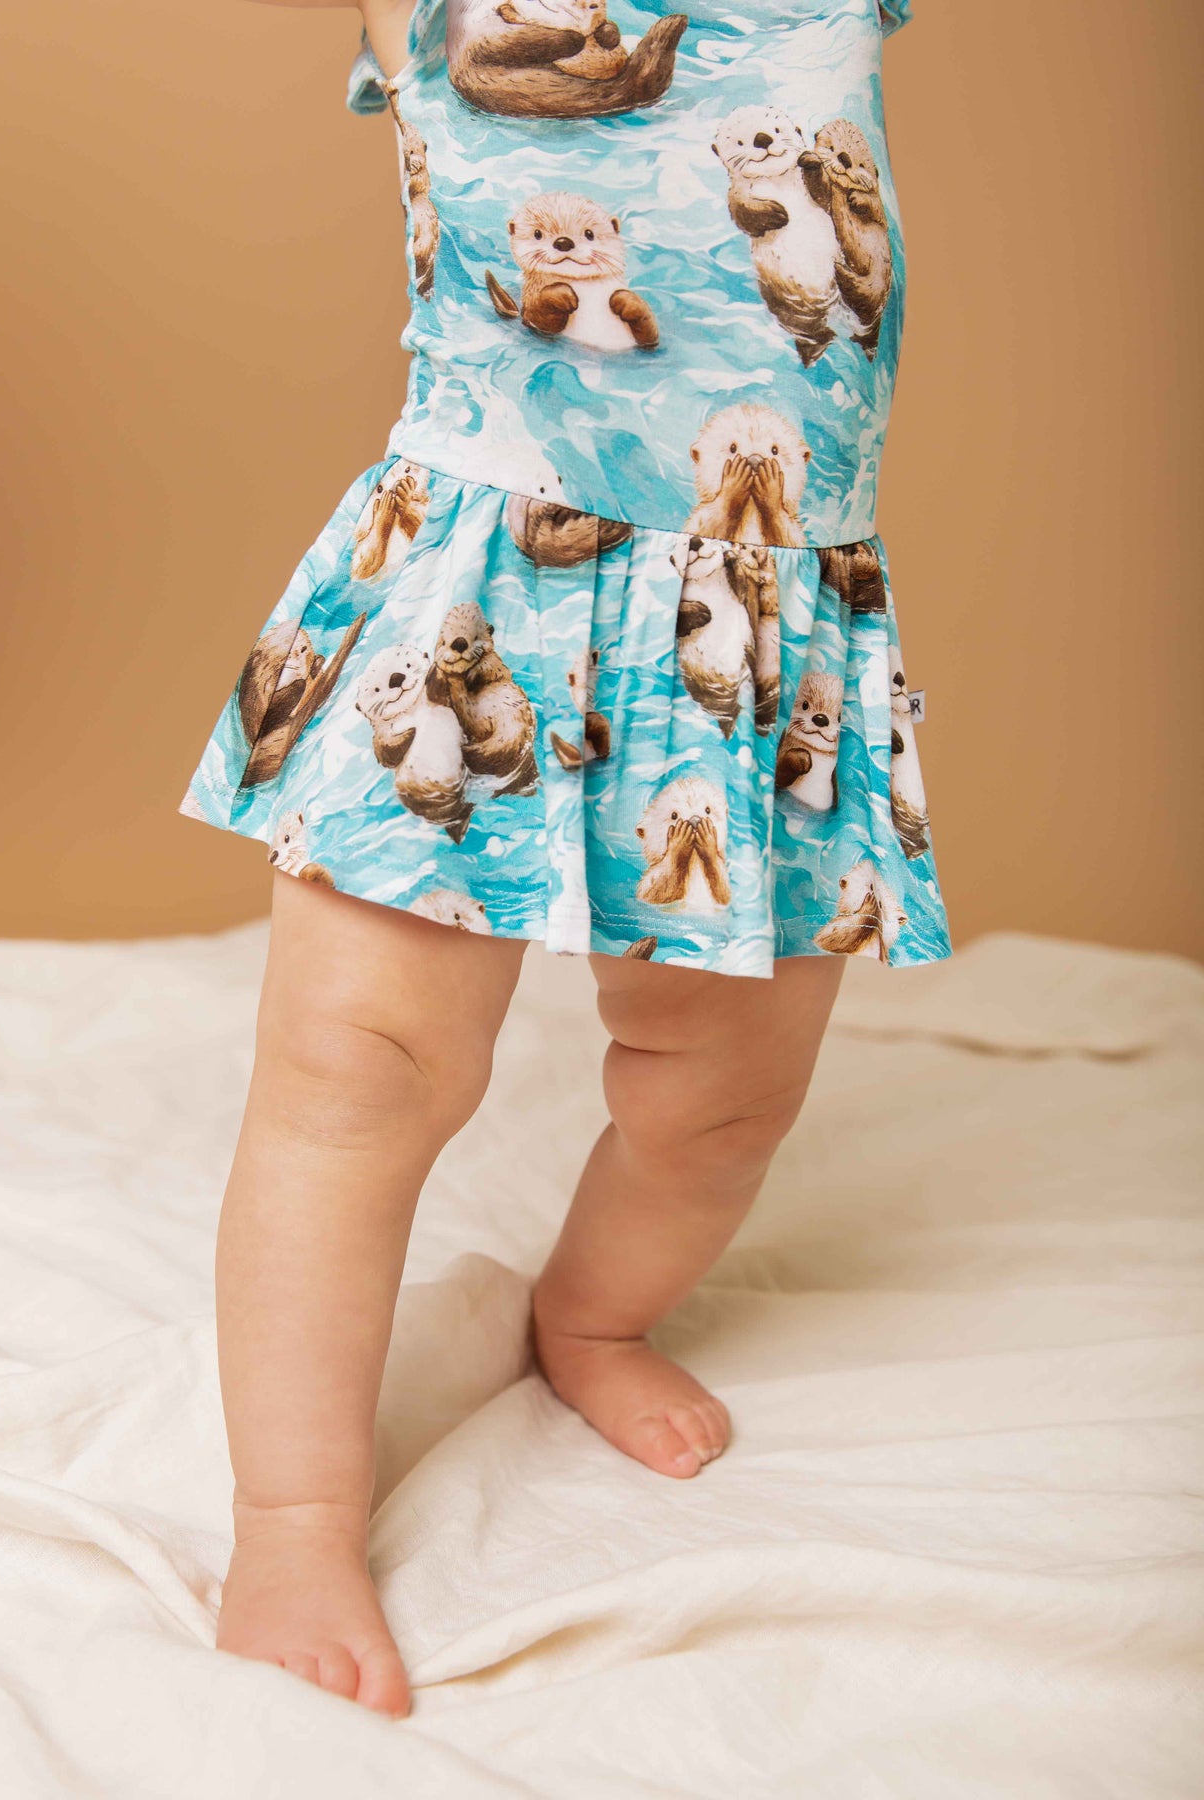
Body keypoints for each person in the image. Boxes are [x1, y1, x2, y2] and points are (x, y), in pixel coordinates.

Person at [181, 0, 947, 1716]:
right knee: (353, 1072)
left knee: (719, 1101)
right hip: (480, 574)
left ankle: (589, 1319)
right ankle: (291, 1513)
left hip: (754, 614)